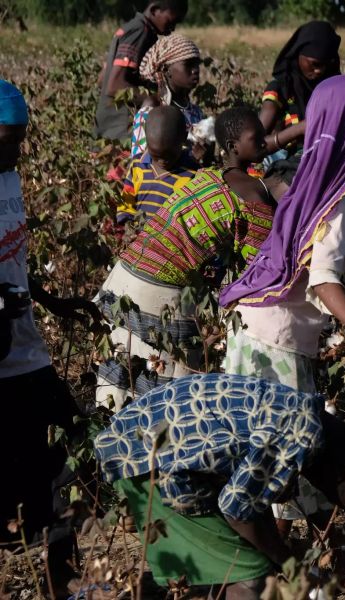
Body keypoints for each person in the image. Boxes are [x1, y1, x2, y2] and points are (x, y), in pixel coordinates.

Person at [218, 76, 345, 538]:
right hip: (279, 340)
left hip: (253, 324)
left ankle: (283, 552)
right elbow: (322, 281)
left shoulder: (308, 180)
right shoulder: (338, 200)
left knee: (260, 445)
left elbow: (311, 252)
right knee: (290, 445)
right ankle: (289, 562)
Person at [94, 372, 345, 597]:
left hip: (141, 445)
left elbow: (251, 500)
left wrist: (282, 557)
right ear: (334, 473)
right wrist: (287, 563)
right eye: (326, 490)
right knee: (250, 576)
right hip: (148, 464)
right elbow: (237, 510)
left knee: (244, 560)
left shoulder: (302, 410)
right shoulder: (300, 435)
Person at [95, 107, 276, 409]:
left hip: (124, 275)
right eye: (256, 136)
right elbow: (256, 273)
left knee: (116, 387)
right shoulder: (255, 200)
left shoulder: (205, 176)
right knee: (164, 401)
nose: (264, 141)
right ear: (233, 146)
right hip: (161, 293)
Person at [1, 80, 102, 597]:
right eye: (8, 137)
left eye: (20, 138)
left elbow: (13, 262)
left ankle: (64, 580)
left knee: (70, 455)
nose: (17, 149)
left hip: (26, 350)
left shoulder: (11, 179)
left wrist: (51, 301)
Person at [95, 0, 188, 142]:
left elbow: (102, 79)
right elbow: (114, 85)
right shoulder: (140, 32)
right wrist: (156, 101)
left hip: (106, 126)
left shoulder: (129, 29)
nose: (173, 28)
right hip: (121, 131)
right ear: (154, 10)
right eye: (171, 21)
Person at [259, 20, 341, 160]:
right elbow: (255, 143)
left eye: (326, 65)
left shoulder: (336, 90)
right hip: (283, 161)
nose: (319, 70)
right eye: (314, 64)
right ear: (298, 55)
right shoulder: (280, 89)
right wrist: (300, 129)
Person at [118, 105, 198, 223]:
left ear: (184, 138)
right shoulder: (137, 165)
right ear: (147, 138)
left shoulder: (192, 174)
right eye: (156, 155)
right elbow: (126, 205)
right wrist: (128, 227)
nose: (162, 161)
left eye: (169, 155)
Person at [130, 33, 204, 159]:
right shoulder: (152, 110)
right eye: (188, 65)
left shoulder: (196, 112)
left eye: (197, 64)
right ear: (166, 69)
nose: (195, 70)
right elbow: (139, 163)